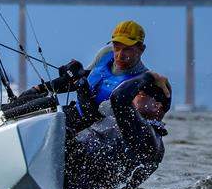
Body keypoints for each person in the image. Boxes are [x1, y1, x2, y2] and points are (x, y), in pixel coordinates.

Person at [63, 69, 171, 189]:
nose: (133, 98)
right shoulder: (131, 124)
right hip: (74, 181)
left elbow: (119, 97)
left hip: (72, 184)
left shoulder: (147, 136)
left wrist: (150, 75)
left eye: (139, 95)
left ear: (156, 106)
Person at [20, 20, 149, 132]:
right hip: (72, 114)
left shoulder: (141, 83)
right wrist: (39, 88)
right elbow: (81, 79)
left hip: (93, 132)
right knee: (32, 104)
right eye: (117, 47)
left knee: (50, 113)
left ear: (141, 49)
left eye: (127, 49)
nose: (119, 55)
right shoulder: (106, 54)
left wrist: (79, 83)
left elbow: (92, 117)